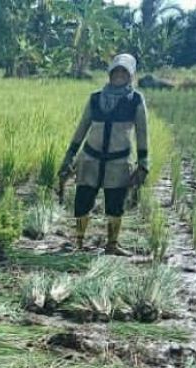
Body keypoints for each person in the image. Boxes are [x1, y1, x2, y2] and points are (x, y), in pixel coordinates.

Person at [59, 53, 150, 255]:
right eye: (115, 71)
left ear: (131, 75)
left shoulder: (135, 100)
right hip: (90, 159)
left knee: (116, 202)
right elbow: (82, 128)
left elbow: (142, 132)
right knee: (83, 199)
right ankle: (79, 242)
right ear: (109, 73)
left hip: (118, 161)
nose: (119, 75)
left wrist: (144, 162)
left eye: (124, 72)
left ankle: (112, 244)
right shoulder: (96, 98)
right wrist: (69, 156)